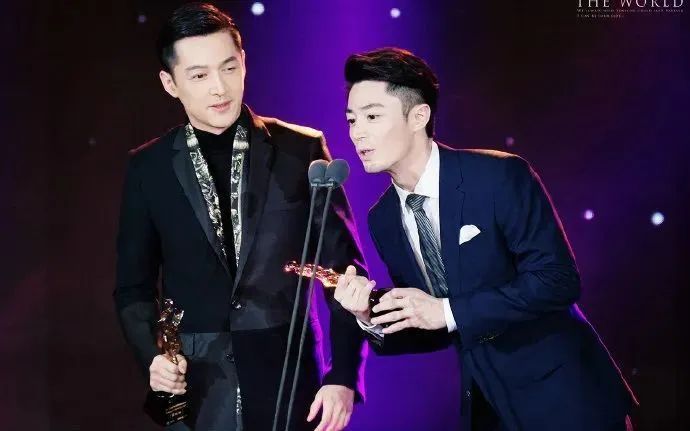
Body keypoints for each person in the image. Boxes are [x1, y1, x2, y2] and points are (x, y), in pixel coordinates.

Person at [334, 47, 637, 431]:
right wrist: (368, 317)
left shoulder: (497, 176)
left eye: (372, 116)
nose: (357, 132)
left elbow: (557, 280)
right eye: (351, 120)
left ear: (419, 116)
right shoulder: (383, 218)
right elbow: (431, 326)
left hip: (566, 397)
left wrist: (446, 311)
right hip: (488, 406)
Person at [114, 4, 366, 430]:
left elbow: (344, 272)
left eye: (228, 68)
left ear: (244, 62)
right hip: (197, 389)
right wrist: (152, 358)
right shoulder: (148, 168)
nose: (220, 88)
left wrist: (342, 374)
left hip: (290, 381)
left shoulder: (301, 150)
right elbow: (132, 287)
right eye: (199, 76)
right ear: (170, 83)